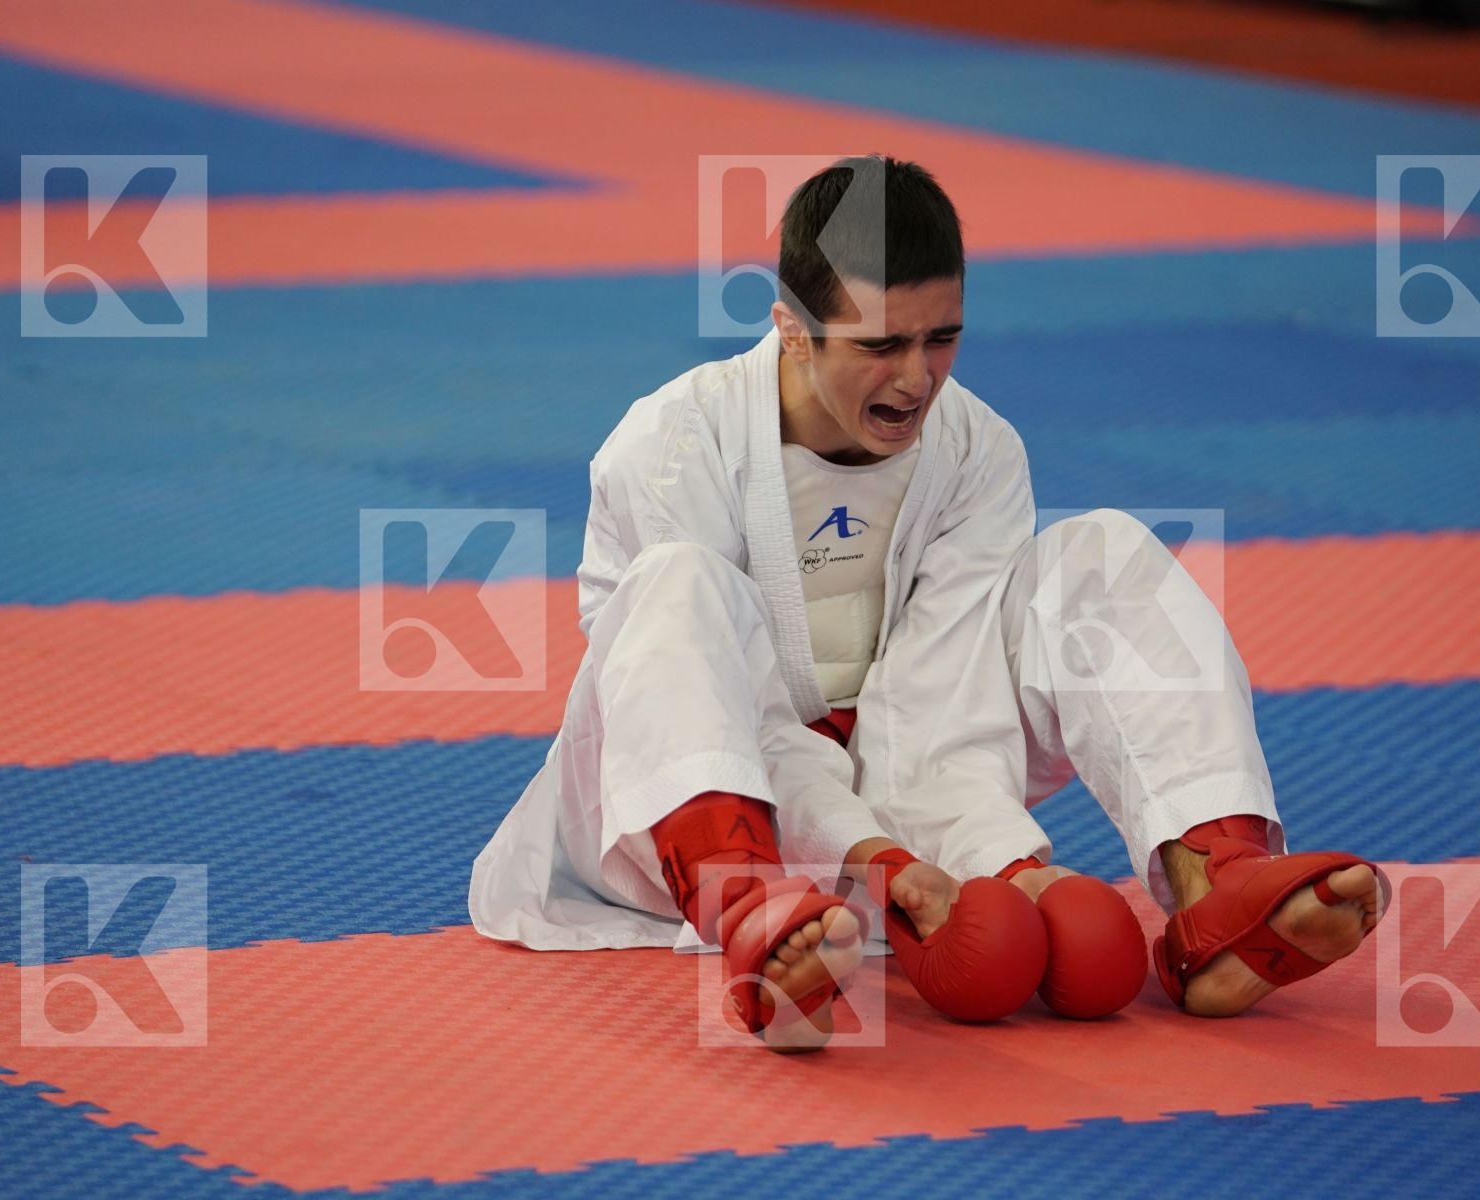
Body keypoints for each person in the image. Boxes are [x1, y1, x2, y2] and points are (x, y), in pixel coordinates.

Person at [469, 155, 1384, 1052]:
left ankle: (1218, 892)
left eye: (939, 337)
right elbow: (712, 707)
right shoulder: (674, 449)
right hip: (685, 816)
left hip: (908, 796)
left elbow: (938, 693)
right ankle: (754, 924)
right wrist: (880, 858)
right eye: (879, 345)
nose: (916, 378)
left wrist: (990, 865)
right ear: (792, 331)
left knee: (1102, 550)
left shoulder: (977, 450)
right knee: (677, 580)